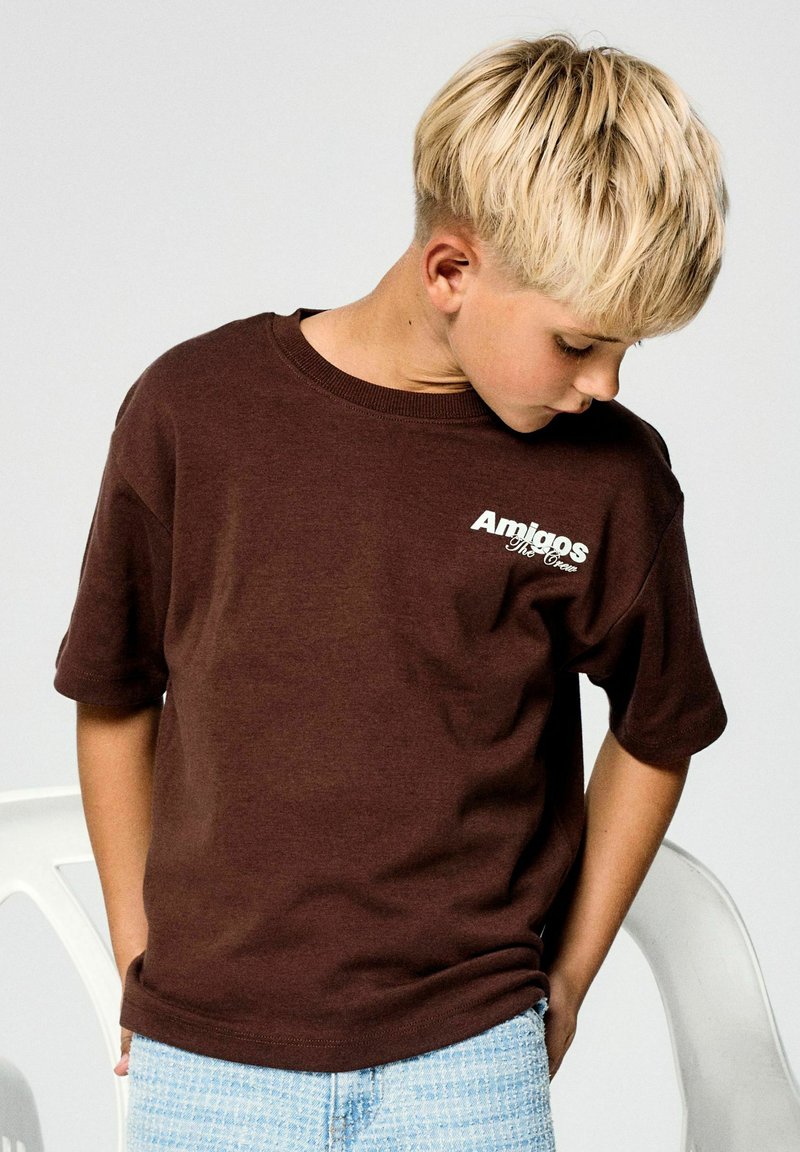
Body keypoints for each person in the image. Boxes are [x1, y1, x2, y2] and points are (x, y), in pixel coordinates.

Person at [53, 31, 729, 1152]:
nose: (605, 383)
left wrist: (566, 976)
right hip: (207, 1062)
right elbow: (113, 692)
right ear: (450, 271)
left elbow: (660, 729)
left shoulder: (609, 476)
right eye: (578, 343)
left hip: (467, 1059)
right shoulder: (193, 412)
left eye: (626, 351)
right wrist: (138, 950)